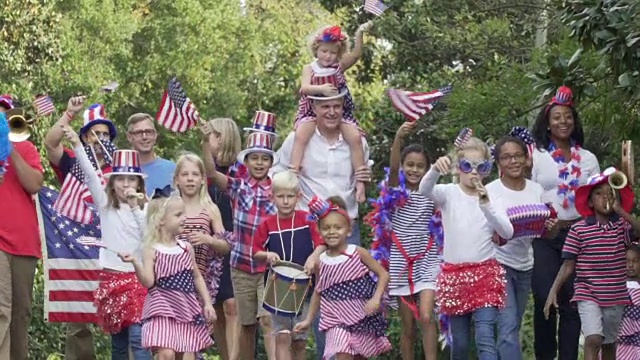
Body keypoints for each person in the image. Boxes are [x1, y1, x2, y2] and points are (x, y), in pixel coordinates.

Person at [274, 89, 372, 356]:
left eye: (336, 106)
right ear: (314, 108)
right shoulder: (298, 139)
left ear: (343, 108)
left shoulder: (356, 142)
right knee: (312, 297)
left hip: (346, 229)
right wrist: (291, 184)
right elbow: (277, 170)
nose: (331, 112)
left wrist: (365, 176)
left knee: (350, 296)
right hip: (309, 227)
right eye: (325, 106)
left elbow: (363, 173)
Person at [418, 130, 514, 360]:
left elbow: (507, 231)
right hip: (454, 277)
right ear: (457, 168)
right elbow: (424, 190)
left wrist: (486, 205)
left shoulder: (491, 198)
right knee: (460, 344)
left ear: (487, 171)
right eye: (466, 165)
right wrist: (434, 169)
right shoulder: (448, 193)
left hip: (485, 274)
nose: (473, 172)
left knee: (485, 338)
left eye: (480, 168)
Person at [61, 125, 151, 359]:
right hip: (111, 279)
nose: (125, 184)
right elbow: (90, 173)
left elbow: (148, 236)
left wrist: (135, 206)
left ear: (139, 183)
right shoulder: (105, 205)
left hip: (137, 280)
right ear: (111, 183)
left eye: (131, 179)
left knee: (138, 339)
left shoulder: (146, 209)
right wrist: (77, 144)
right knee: (119, 344)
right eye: (120, 179)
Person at [43, 97, 117, 359]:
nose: (99, 139)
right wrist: (69, 114)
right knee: (78, 323)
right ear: (85, 137)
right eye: (94, 134)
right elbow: (50, 144)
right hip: (79, 251)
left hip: (114, 252)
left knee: (123, 318)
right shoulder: (74, 161)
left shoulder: (121, 169)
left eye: (105, 134)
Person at [530, 86, 601, 360]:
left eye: (568, 117)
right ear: (547, 121)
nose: (563, 122)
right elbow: (528, 191)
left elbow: (596, 198)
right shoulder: (536, 156)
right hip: (546, 236)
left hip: (579, 236)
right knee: (544, 299)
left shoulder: (588, 159)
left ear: (574, 121)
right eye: (557, 117)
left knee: (573, 303)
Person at [544, 168, 640, 360]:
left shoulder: (621, 226)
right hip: (587, 292)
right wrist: (552, 292)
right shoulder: (579, 229)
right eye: (599, 193)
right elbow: (568, 265)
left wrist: (620, 211)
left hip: (615, 294)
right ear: (589, 201)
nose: (605, 197)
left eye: (610, 193)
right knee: (594, 338)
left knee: (610, 344)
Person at [368, 121, 440, 359]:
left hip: (427, 260)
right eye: (410, 165)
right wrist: (398, 138)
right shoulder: (396, 191)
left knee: (427, 316)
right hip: (401, 262)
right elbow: (393, 164)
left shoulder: (433, 192)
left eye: (420, 166)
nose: (414, 170)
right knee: (408, 328)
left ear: (427, 169)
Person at [206, 131, 278, 360]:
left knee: (267, 320)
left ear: (271, 162)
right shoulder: (238, 187)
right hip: (240, 266)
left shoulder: (277, 190)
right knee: (246, 325)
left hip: (267, 267)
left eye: (264, 158)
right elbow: (210, 173)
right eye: (254, 158)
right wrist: (205, 144)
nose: (259, 163)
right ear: (246, 162)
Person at [120, 190, 216, 357]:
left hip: (185, 309)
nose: (184, 218)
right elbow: (148, 282)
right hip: (161, 309)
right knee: (167, 353)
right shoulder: (151, 250)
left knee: (181, 354)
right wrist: (135, 263)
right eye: (178, 215)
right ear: (161, 220)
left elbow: (197, 276)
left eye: (184, 214)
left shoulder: (186, 248)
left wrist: (207, 303)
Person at [486, 134, 558, 360]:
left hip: (526, 265)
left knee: (512, 327)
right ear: (498, 163)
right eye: (506, 157)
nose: (513, 161)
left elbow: (546, 232)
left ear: (527, 159)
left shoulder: (536, 190)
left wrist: (550, 226)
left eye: (518, 155)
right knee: (507, 329)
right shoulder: (490, 190)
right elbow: (483, 230)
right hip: (499, 265)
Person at [294, 195, 391, 359]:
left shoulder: (358, 253)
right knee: (343, 354)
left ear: (348, 230)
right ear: (319, 231)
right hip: (335, 320)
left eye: (337, 227)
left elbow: (383, 274)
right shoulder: (322, 260)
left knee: (360, 356)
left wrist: (376, 299)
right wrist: (308, 321)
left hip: (361, 316)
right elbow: (319, 291)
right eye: (326, 228)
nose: (332, 232)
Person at [290, 22, 371, 204]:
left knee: (355, 137)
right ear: (316, 49)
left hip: (338, 109)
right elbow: (304, 88)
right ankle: (293, 173)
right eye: (324, 51)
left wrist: (359, 34)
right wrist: (321, 89)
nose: (328, 56)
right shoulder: (310, 68)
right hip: (312, 109)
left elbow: (357, 55)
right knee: (302, 134)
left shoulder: (338, 66)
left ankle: (359, 180)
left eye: (333, 53)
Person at [253, 171, 326, 360]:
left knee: (300, 339)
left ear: (298, 197)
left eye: (290, 196)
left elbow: (321, 243)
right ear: (272, 197)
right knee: (282, 336)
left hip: (305, 288)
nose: (285, 201)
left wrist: (313, 256)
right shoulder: (267, 224)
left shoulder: (307, 219)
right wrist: (267, 254)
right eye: (280, 196)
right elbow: (255, 252)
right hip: (278, 288)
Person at [173, 153, 235, 359]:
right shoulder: (169, 207)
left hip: (200, 282)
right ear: (176, 179)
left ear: (202, 179)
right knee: (171, 341)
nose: (190, 179)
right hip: (172, 283)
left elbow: (225, 246)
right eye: (185, 174)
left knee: (193, 340)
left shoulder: (210, 209)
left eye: (195, 174)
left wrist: (208, 240)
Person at [0, 111, 44, 360]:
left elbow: (34, 184)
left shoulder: (26, 147)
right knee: (1, 309)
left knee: (20, 314)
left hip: (24, 243)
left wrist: (9, 149)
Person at [201, 118, 243, 360]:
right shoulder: (204, 170)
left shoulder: (240, 169)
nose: (211, 140)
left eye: (214, 135)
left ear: (226, 137)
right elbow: (207, 170)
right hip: (212, 245)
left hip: (238, 245)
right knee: (216, 307)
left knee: (232, 306)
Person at [126, 113, 176, 196]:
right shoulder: (123, 171)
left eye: (148, 132)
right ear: (129, 137)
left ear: (155, 135)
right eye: (139, 133)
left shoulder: (173, 169)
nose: (145, 137)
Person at [617, 244, 640, 359]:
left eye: (635, 261)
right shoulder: (616, 286)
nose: (630, 265)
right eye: (627, 261)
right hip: (618, 338)